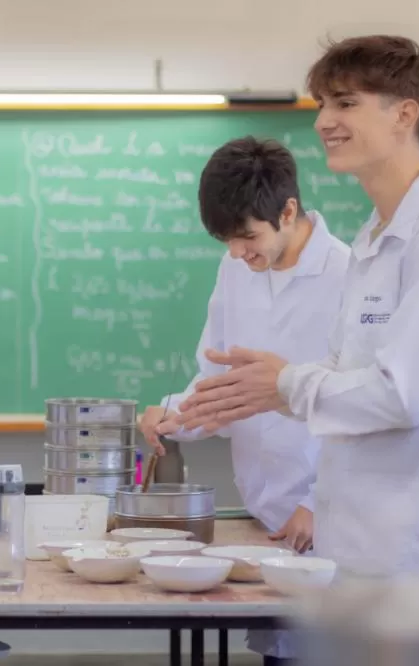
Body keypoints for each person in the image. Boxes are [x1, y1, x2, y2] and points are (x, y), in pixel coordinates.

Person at [164, 35, 419, 584]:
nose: (324, 121)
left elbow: (401, 396)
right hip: (351, 551)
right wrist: (260, 390)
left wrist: (287, 385)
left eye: (346, 103)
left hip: (414, 560)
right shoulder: (375, 239)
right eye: (322, 103)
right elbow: (348, 381)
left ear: (405, 115)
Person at [140, 136, 349, 665]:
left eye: (248, 236)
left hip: (329, 522)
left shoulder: (350, 277)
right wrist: (173, 414)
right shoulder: (237, 269)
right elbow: (216, 375)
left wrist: (323, 502)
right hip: (268, 519)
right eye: (226, 240)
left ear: (288, 210)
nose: (237, 252)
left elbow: (366, 408)